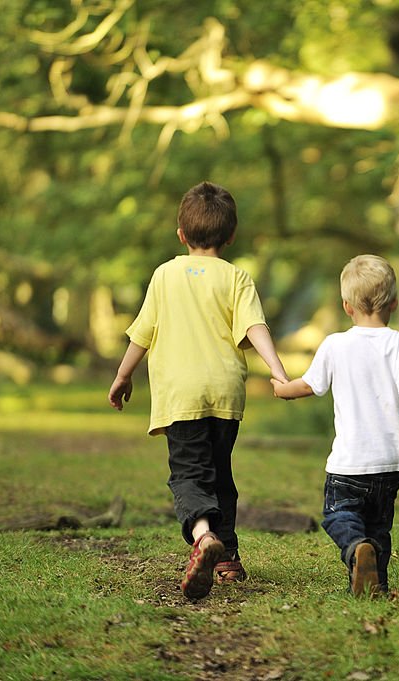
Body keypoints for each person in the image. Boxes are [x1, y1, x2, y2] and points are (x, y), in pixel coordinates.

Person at [107, 181, 289, 600]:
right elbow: (254, 328)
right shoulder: (237, 277)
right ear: (231, 236)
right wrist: (278, 372)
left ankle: (205, 538)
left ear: (181, 235)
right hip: (226, 394)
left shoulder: (164, 275)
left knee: (189, 474)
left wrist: (122, 376)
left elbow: (142, 333)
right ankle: (227, 560)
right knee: (220, 472)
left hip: (181, 395)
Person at [271, 254, 399, 597]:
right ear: (394, 303)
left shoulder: (335, 344)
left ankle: (355, 548)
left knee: (339, 514)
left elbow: (310, 385)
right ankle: (376, 586)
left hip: (350, 461)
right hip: (390, 461)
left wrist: (282, 389)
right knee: (380, 525)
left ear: (346, 306)